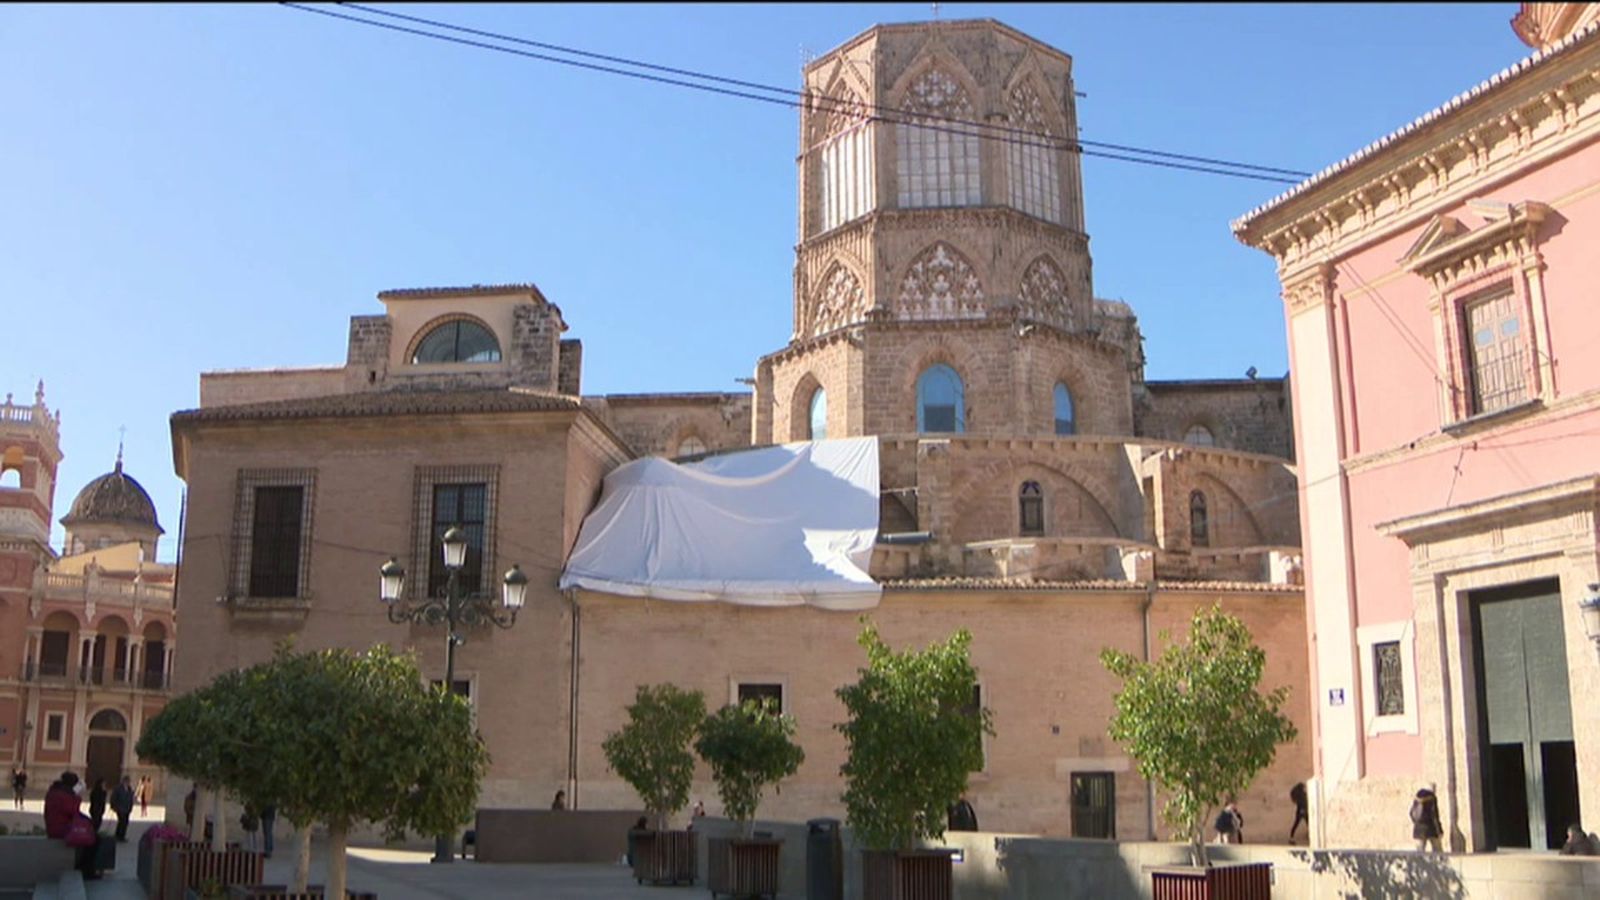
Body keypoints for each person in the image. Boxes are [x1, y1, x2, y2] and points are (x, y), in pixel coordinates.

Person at [1410, 787, 1443, 853]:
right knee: (1437, 849)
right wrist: (1439, 830)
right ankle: (1440, 862)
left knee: (1420, 851)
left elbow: (1411, 813)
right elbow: (1434, 815)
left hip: (1418, 828)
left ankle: (1419, 863)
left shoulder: (1417, 797)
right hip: (1430, 828)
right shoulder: (1432, 798)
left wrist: (1417, 823)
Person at [110, 776, 135, 842]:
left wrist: (131, 807)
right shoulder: (118, 788)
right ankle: (118, 835)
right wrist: (113, 806)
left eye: (129, 781)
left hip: (127, 809)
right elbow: (113, 797)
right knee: (122, 822)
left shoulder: (130, 789)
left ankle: (122, 836)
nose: (128, 782)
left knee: (125, 823)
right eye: (127, 781)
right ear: (124, 781)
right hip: (120, 808)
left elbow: (131, 799)